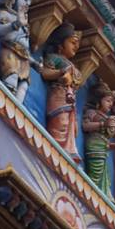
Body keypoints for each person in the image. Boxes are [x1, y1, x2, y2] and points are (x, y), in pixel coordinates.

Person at [82, 81, 115, 198]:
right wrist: (103, 124)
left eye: (112, 101)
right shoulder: (92, 112)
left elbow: (105, 141)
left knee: (104, 178)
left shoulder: (106, 117)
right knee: (95, 175)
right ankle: (88, 197)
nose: (111, 104)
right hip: (94, 146)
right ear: (99, 101)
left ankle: (95, 197)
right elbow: (85, 126)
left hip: (103, 149)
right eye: (108, 101)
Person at [40, 24, 83, 161]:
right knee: (61, 123)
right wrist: (61, 72)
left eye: (77, 44)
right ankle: (56, 151)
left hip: (70, 100)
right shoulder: (54, 58)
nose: (76, 46)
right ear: (60, 44)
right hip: (58, 96)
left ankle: (68, 152)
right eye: (72, 42)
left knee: (72, 128)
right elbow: (45, 72)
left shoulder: (70, 64)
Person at [0, 0, 36, 103]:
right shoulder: (6, 13)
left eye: (29, 1)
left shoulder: (26, 24)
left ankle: (17, 112)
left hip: (24, 59)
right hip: (10, 52)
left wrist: (35, 63)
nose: (27, 4)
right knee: (11, 79)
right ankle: (6, 107)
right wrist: (16, 24)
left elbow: (26, 47)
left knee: (23, 86)